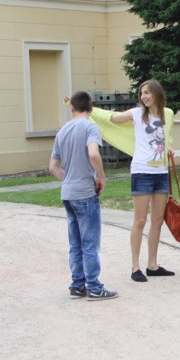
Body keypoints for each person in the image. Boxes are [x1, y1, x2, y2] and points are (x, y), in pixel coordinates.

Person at [49, 91, 118, 301]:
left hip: (68, 193)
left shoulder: (62, 131)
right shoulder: (90, 127)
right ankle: (95, 287)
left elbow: (53, 167)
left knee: (75, 242)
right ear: (90, 108)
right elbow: (94, 154)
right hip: (85, 192)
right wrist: (101, 176)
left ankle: (77, 285)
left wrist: (68, 178)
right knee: (89, 242)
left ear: (72, 107)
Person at [106, 79, 176, 283]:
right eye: (141, 93)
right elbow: (112, 118)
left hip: (161, 173)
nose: (144, 97)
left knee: (157, 220)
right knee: (140, 220)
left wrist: (169, 148)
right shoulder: (136, 114)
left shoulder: (168, 114)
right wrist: (87, 109)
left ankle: (152, 265)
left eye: (147, 93)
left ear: (156, 93)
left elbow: (167, 138)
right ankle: (135, 266)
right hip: (141, 171)